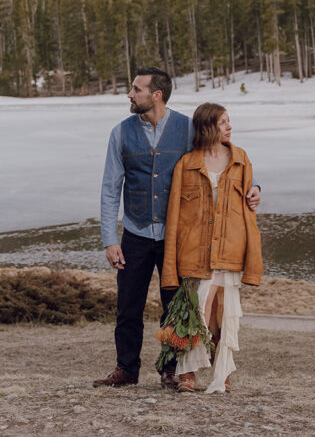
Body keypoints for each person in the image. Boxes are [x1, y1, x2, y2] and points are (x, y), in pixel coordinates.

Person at [94, 68, 260, 389]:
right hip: (135, 235)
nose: (130, 94)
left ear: (156, 95)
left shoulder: (186, 128)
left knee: (177, 308)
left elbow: (220, 161)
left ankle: (171, 370)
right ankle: (126, 370)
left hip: (178, 238)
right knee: (128, 307)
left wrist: (256, 188)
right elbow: (110, 189)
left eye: (136, 89)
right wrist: (110, 239)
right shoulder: (120, 133)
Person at [161, 102, 262, 394]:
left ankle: (222, 372)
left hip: (230, 249)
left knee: (223, 314)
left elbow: (249, 201)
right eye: (223, 122)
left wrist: (257, 191)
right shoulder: (187, 163)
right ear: (208, 127)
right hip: (195, 251)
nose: (229, 127)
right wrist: (170, 264)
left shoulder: (240, 159)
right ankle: (188, 373)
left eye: (229, 121)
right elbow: (174, 217)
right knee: (197, 312)